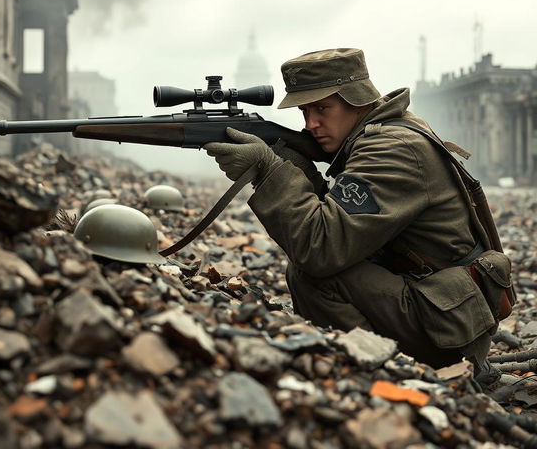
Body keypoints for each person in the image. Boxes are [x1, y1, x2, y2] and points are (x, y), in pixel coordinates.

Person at [205, 48, 505, 380]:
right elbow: (342, 223)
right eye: (305, 111)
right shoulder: (384, 133)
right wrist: (294, 166)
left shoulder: (391, 148)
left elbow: (320, 248)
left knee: (315, 275)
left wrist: (269, 171)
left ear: (357, 100)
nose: (311, 124)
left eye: (322, 108)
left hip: (449, 327)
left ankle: (383, 374)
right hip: (443, 308)